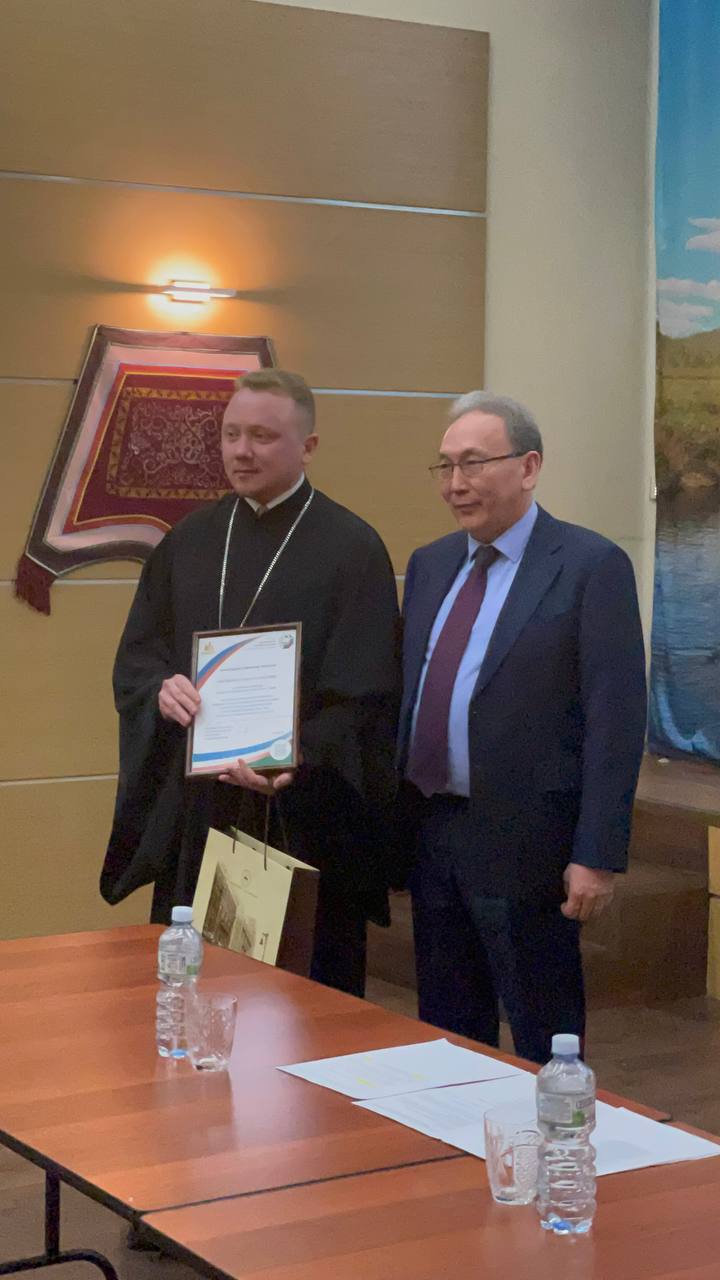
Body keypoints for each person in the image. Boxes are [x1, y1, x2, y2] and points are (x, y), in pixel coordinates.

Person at [101, 369, 400, 997]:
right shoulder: (189, 541)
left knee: (302, 1011)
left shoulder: (353, 549)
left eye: (262, 436)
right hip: (200, 815)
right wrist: (160, 690)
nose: (241, 451)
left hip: (303, 816)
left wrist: (297, 758)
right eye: (230, 434)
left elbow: (367, 696)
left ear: (308, 447)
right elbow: (138, 657)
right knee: (194, 993)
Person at [396, 391, 647, 1063]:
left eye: (474, 463)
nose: (455, 483)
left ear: (529, 467)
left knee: (544, 1040)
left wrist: (597, 853)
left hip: (531, 847)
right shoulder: (429, 565)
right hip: (435, 833)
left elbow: (616, 718)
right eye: (445, 466)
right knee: (446, 1037)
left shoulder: (590, 566)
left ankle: (556, 1134)